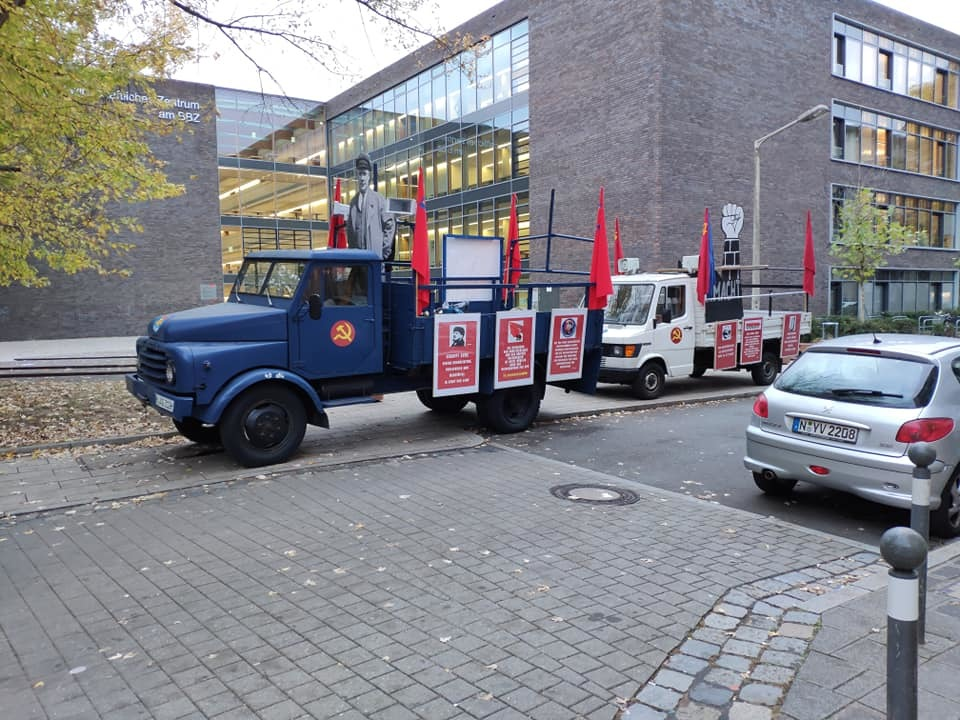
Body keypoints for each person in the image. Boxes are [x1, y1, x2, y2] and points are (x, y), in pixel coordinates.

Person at [346, 153, 395, 260]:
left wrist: (382, 253)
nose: (362, 178)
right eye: (359, 174)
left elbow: (390, 225)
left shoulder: (379, 200)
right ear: (357, 177)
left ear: (369, 176)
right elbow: (349, 232)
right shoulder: (353, 203)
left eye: (364, 174)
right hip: (358, 263)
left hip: (374, 263)